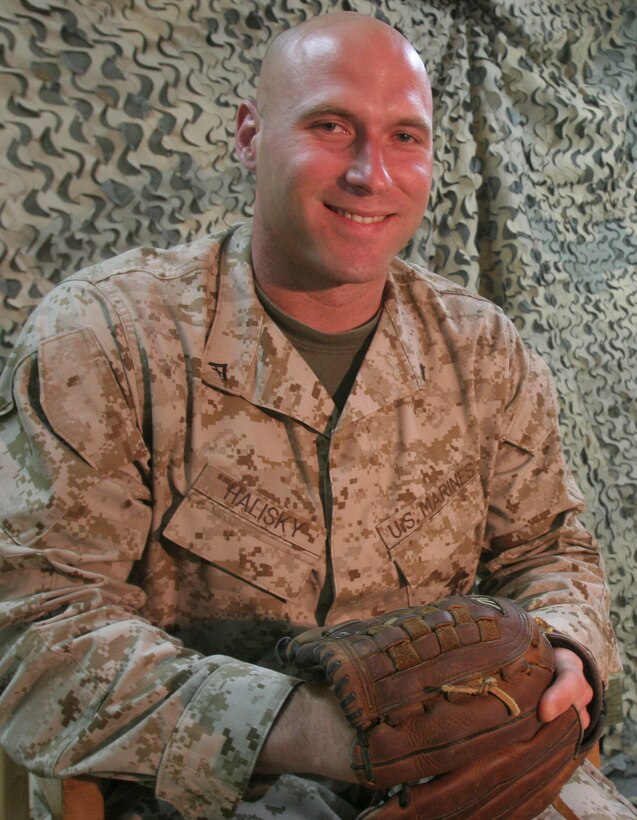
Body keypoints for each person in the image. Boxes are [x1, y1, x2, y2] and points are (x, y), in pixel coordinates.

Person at [0, 11, 633, 820]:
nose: (372, 174)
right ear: (248, 135)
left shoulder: (480, 348)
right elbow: (37, 628)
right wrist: (305, 727)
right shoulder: (107, 338)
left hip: (471, 770)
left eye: (405, 137)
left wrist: (565, 651)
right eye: (331, 127)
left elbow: (548, 549)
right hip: (207, 787)